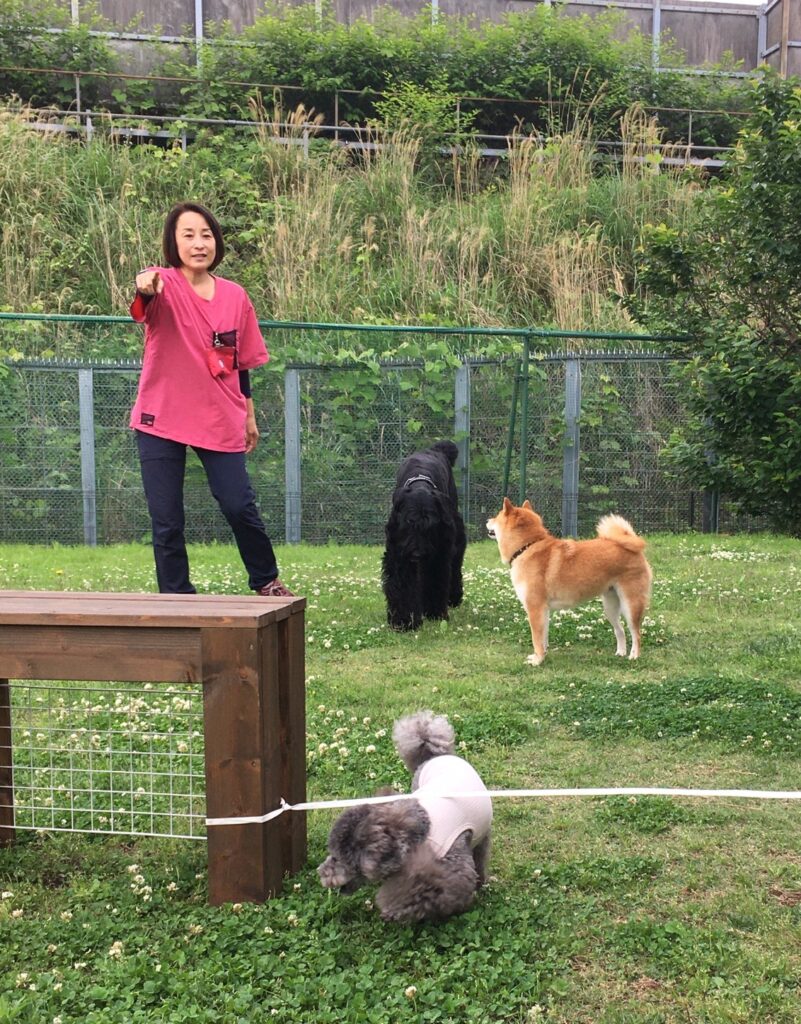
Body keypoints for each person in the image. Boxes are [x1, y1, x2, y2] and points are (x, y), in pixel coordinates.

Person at [129, 200, 294, 598]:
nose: (198, 243)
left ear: (217, 242)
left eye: (206, 235)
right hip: (160, 417)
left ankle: (266, 581)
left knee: (239, 504)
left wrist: (248, 415)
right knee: (167, 519)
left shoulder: (236, 296)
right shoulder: (162, 284)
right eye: (188, 235)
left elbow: (241, 363)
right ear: (174, 242)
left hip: (220, 415)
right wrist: (144, 286)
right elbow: (143, 297)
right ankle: (177, 600)